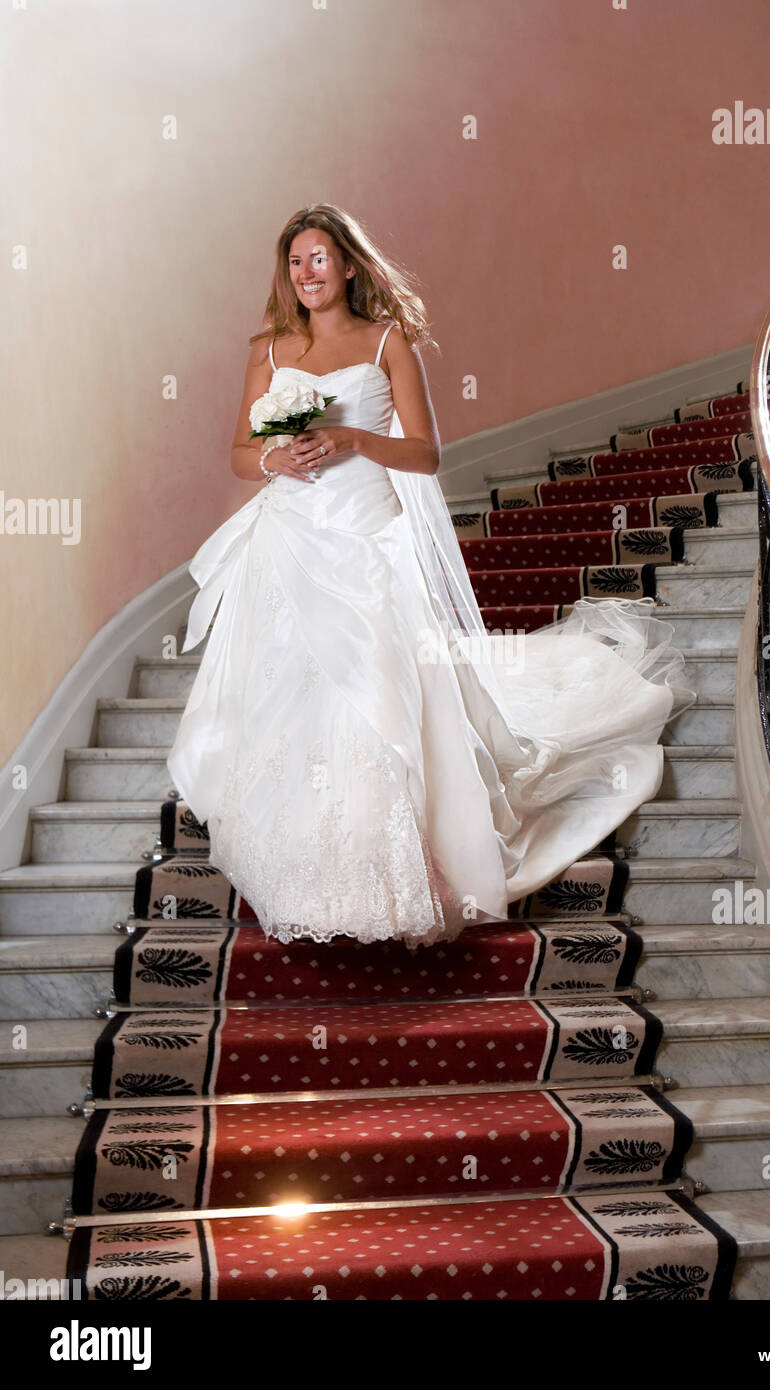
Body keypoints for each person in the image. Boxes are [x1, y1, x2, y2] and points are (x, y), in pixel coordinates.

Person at [167, 203, 695, 949]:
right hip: (287, 541)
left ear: (348, 265)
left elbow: (423, 454)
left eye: (319, 258)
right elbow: (238, 453)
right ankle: (309, 870)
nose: (306, 273)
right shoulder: (269, 349)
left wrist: (352, 437)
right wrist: (274, 458)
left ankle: (407, 869)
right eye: (295, 261)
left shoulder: (386, 341)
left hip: (366, 543)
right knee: (290, 699)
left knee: (378, 697)